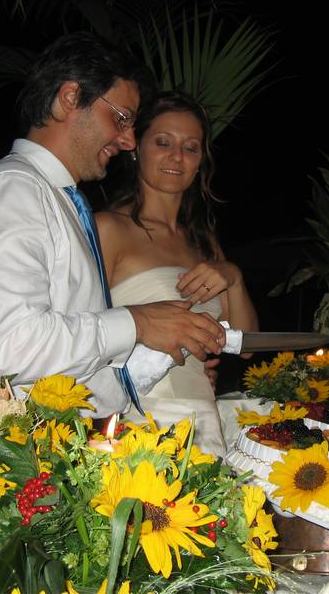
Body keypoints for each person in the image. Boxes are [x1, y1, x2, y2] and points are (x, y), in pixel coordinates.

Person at [0, 33, 226, 418]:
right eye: (122, 118)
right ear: (70, 98)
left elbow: (84, 372)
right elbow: (13, 347)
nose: (128, 141)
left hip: (73, 441)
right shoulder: (13, 189)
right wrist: (137, 322)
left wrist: (167, 362)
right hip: (30, 446)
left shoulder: (61, 201)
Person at [95, 91, 259, 456]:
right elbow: (83, 330)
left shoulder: (203, 241)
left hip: (204, 421)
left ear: (201, 160)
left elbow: (246, 346)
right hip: (141, 422)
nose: (177, 157)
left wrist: (233, 276)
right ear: (136, 148)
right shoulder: (108, 228)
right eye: (163, 142)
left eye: (191, 147)